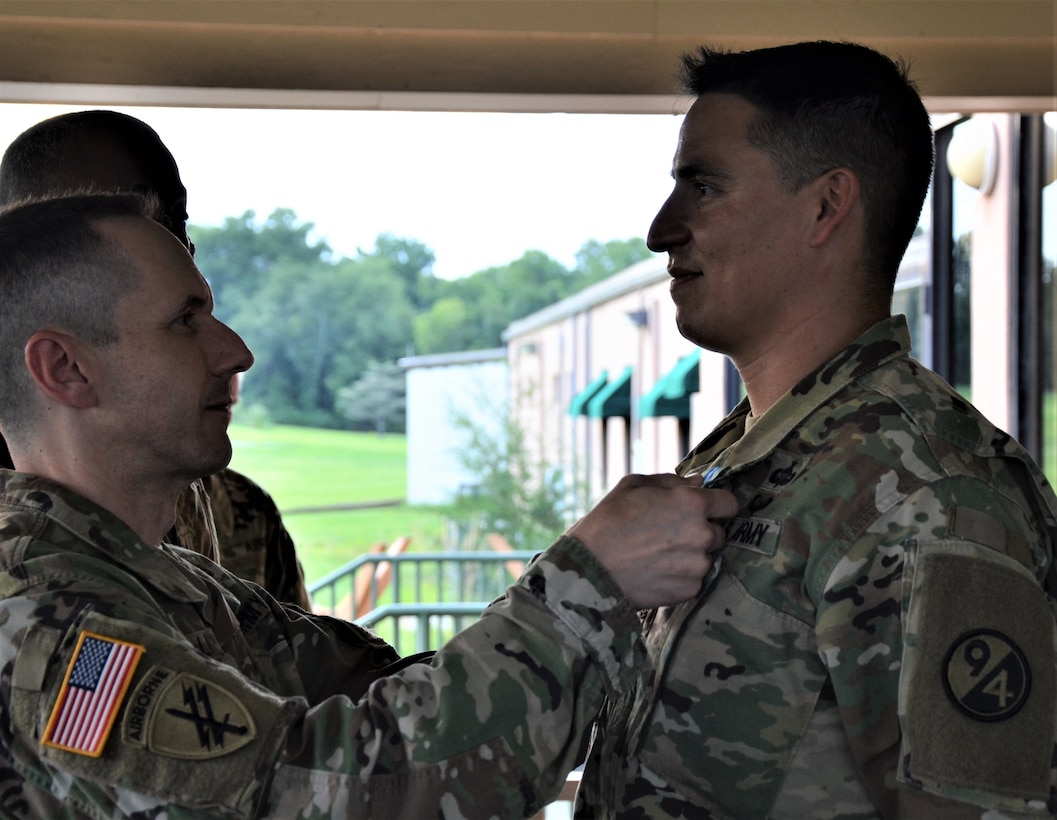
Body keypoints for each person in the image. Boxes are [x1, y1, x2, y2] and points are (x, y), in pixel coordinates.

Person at [0, 191, 738, 817]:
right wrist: (587, 581)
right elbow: (335, 790)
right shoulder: (43, 618)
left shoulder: (171, 581)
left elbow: (394, 695)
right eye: (184, 320)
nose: (234, 351)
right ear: (66, 368)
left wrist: (591, 597)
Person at [575, 41, 1057, 818]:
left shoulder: (927, 494)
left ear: (826, 207)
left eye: (703, 187)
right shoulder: (751, 454)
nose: (661, 229)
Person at [0, 109, 312, 609]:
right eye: (100, 219)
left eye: (170, 220)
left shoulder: (238, 510)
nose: (237, 357)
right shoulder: (24, 566)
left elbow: (310, 675)